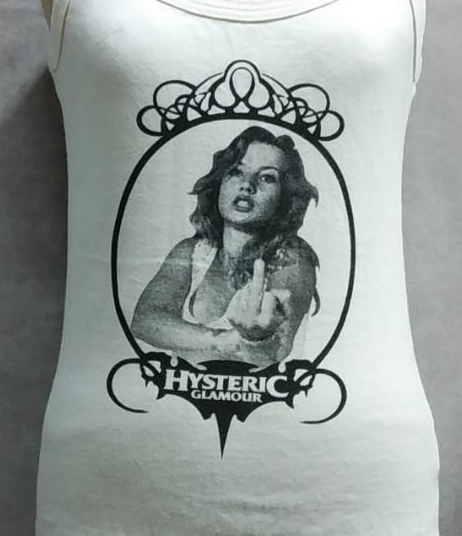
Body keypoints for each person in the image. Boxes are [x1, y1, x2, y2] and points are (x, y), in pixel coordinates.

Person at [130, 125, 322, 367]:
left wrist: (256, 339)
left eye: (267, 177)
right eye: (237, 172)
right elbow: (144, 321)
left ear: (285, 197)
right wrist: (219, 341)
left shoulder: (293, 259)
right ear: (220, 182)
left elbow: (275, 353)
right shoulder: (193, 252)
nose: (247, 184)